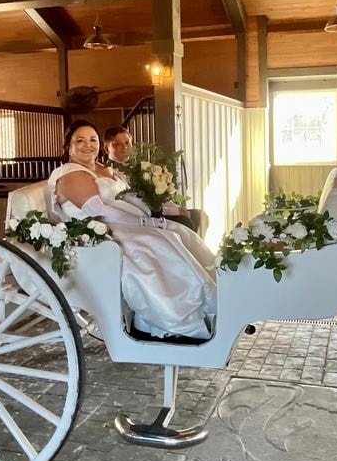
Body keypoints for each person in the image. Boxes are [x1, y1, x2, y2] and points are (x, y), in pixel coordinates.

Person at [49, 120, 216, 339]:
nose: (87, 145)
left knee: (177, 232)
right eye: (79, 140)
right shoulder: (71, 175)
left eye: (92, 139)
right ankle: (165, 321)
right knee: (154, 243)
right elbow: (100, 211)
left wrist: (160, 213)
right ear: (68, 146)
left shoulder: (103, 169)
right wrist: (146, 224)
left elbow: (130, 197)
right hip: (100, 230)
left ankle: (204, 305)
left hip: (123, 223)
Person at [103, 124, 199, 232]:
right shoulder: (110, 172)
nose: (124, 147)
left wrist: (177, 208)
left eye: (127, 143)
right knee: (186, 221)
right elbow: (136, 201)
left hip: (156, 209)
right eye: (116, 144)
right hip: (141, 215)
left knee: (197, 214)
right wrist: (173, 211)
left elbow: (157, 194)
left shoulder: (140, 166)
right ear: (107, 149)